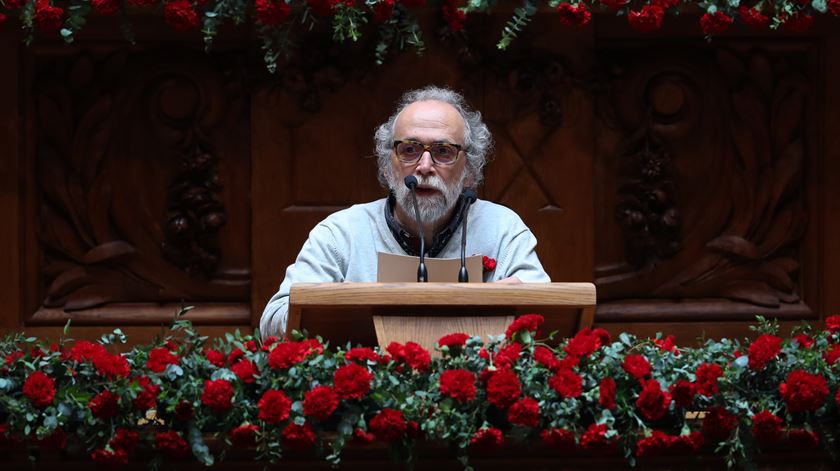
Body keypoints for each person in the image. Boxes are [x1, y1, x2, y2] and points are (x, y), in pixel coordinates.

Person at [260, 86, 550, 338]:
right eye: (409, 150)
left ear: (470, 171)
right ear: (388, 167)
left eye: (443, 151)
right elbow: (272, 321)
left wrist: (505, 302)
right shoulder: (341, 233)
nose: (424, 167)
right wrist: (337, 306)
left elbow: (549, 317)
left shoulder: (503, 229)